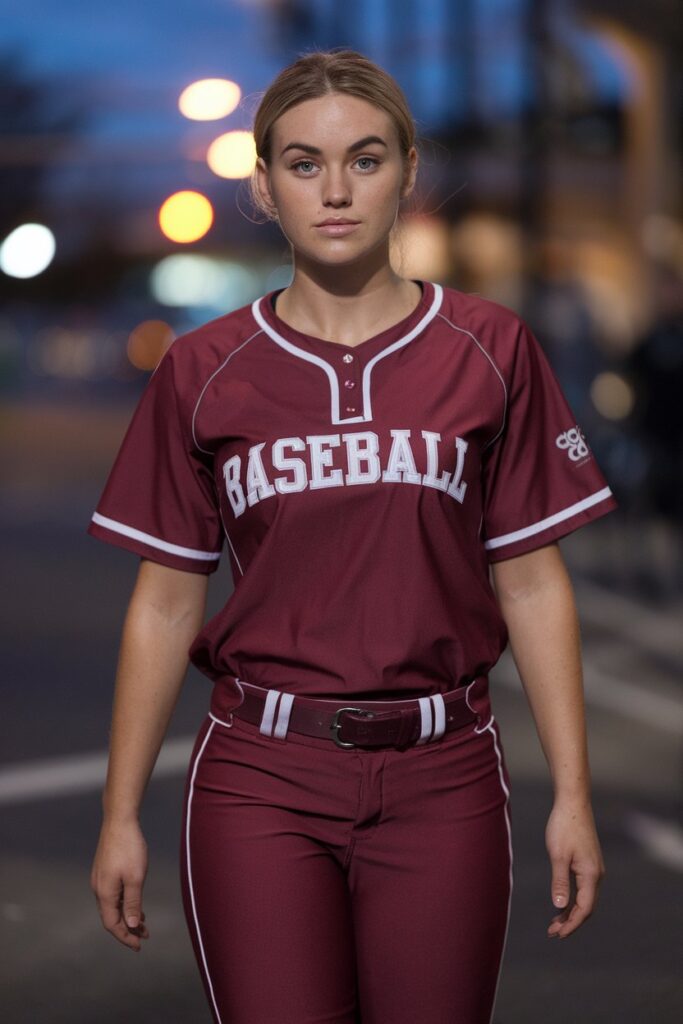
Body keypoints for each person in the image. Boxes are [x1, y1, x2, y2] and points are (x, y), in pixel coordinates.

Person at [88, 48, 617, 1024]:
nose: (334, 189)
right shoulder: (204, 367)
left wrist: (571, 794)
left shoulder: (488, 348)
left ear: (409, 170)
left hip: (444, 771)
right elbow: (165, 601)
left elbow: (532, 582)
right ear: (263, 184)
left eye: (364, 159)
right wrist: (119, 814)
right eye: (302, 163)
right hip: (260, 775)